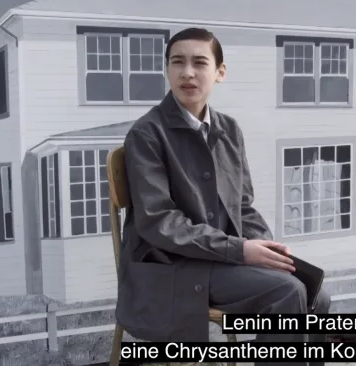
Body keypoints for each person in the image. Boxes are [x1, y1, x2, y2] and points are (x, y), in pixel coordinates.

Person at [115, 27, 331, 363]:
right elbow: (159, 222)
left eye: (199, 62)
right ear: (166, 70)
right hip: (172, 266)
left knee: (317, 293)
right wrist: (240, 251)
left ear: (220, 72)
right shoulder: (146, 134)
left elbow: (242, 206)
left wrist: (267, 249)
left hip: (218, 258)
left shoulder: (228, 129)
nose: (188, 72)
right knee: (286, 292)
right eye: (177, 62)